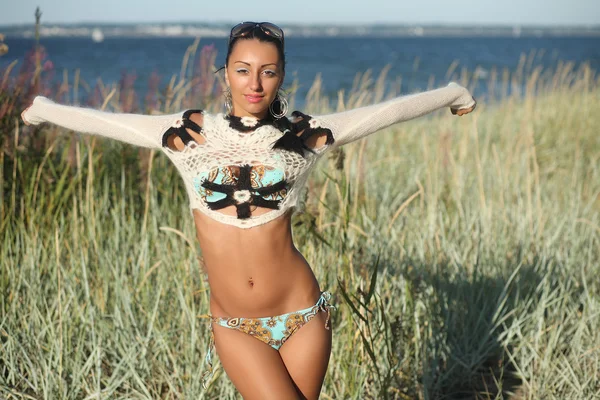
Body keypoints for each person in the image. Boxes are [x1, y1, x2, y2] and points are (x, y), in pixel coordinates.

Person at [21, 21, 476, 400]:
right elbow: (108, 122)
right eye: (242, 70)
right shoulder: (189, 133)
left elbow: (385, 113)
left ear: (281, 75)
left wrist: (452, 93)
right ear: (226, 75)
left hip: (302, 314)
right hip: (236, 325)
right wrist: (44, 110)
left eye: (268, 71)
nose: (254, 83)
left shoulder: (302, 134)